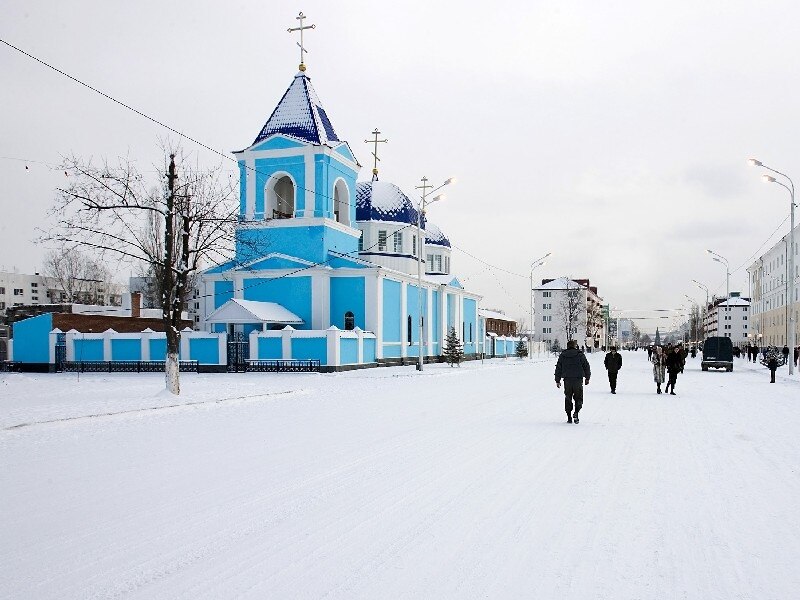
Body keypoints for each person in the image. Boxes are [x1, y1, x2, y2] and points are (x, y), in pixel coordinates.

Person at [555, 340, 591, 424]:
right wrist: (587, 378)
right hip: (578, 379)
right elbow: (586, 366)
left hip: (567, 380)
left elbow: (558, 368)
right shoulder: (580, 354)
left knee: (568, 397)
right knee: (578, 398)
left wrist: (557, 380)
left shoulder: (563, 355)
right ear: (575, 346)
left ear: (567, 346)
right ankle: (576, 412)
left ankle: (569, 417)